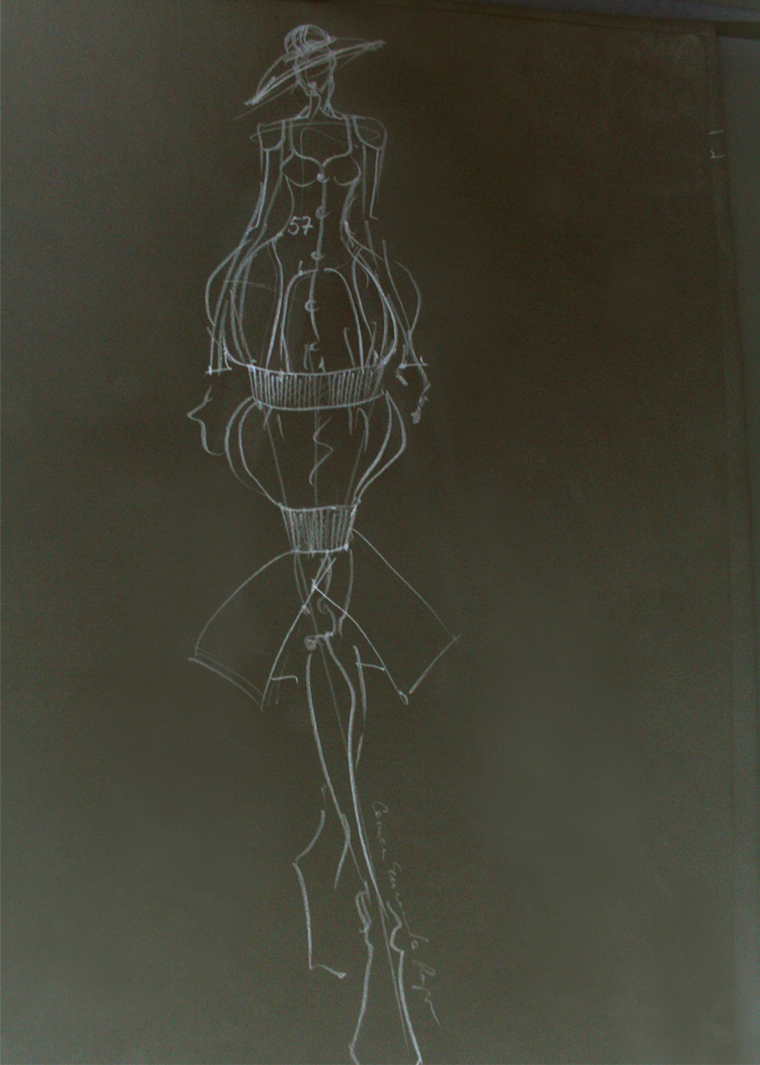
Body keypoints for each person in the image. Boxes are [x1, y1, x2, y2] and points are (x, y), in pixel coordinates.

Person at [189, 26, 455, 1064]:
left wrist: (410, 351)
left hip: (350, 346)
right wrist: (218, 359)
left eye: (324, 65)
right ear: (292, 77)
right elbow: (257, 229)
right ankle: (361, 882)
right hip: (285, 361)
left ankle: (354, 865)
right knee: (322, 597)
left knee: (329, 597)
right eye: (303, 68)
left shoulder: (367, 137)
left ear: (335, 70)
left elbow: (373, 237)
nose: (317, 79)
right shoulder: (275, 148)